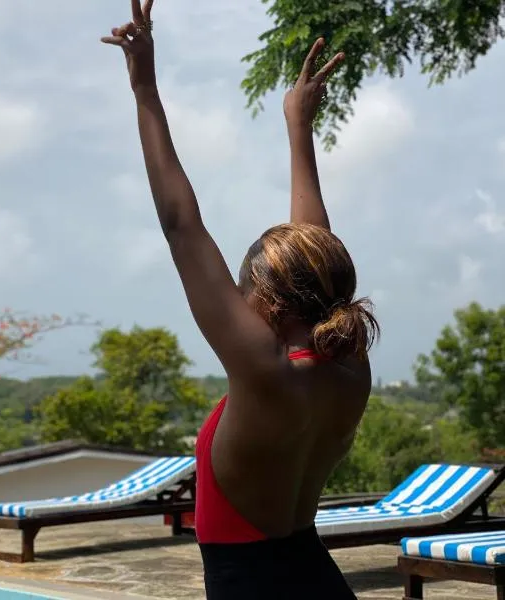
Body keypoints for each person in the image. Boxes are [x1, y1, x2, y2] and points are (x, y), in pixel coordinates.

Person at [103, 2, 379, 598]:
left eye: (245, 291)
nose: (238, 300)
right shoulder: (349, 364)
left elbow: (181, 222)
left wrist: (144, 89)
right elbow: (317, 253)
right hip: (314, 574)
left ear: (272, 307)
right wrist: (298, 127)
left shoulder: (267, 369)